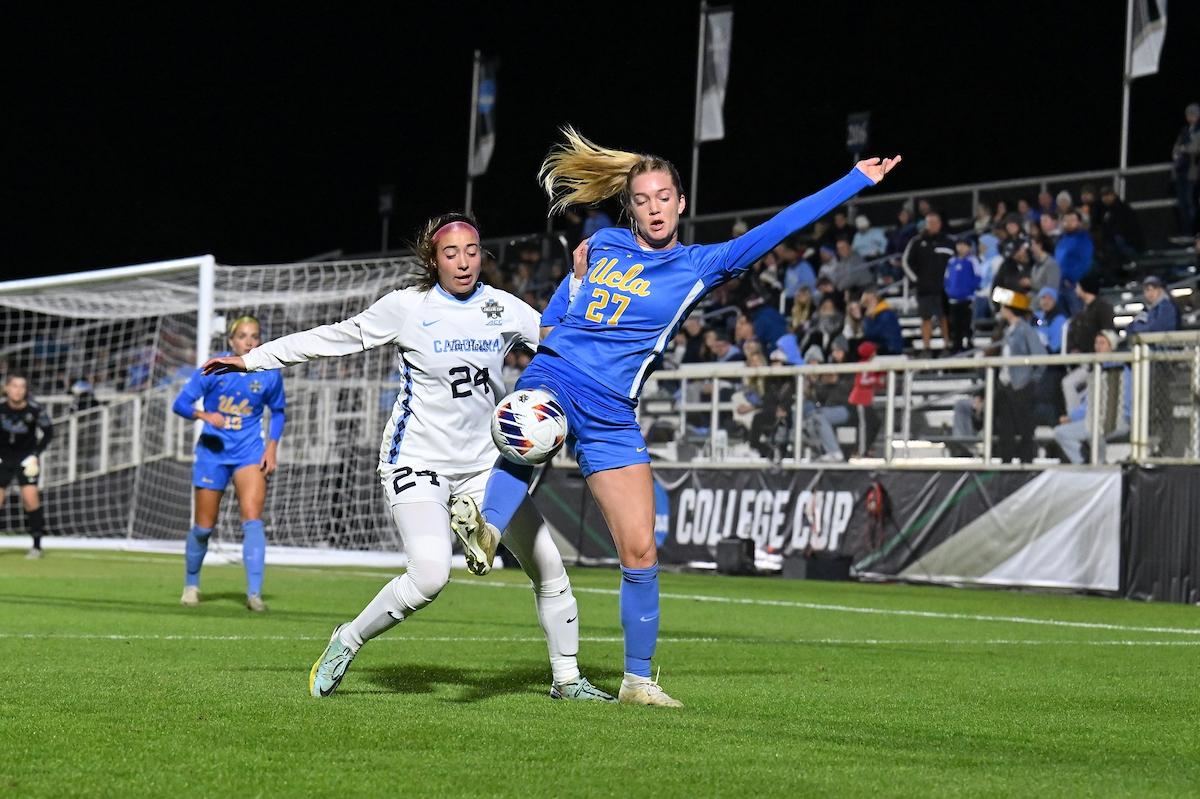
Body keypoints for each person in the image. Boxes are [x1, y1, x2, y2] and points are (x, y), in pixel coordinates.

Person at [450, 127, 900, 707]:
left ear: (681, 203)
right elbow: (559, 313)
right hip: (558, 373)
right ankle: (487, 529)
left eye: (664, 197)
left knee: (640, 551)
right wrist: (574, 289)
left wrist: (854, 182)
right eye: (642, 199)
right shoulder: (607, 244)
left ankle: (637, 682)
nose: (654, 207)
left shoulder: (699, 264)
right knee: (527, 432)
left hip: (613, 410)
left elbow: (776, 229)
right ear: (630, 209)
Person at [202, 212, 612, 703]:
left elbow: (561, 343)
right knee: (431, 575)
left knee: (549, 567)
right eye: (450, 253)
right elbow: (330, 338)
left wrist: (579, 283)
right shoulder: (407, 307)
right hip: (417, 461)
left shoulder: (505, 308)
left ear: (483, 254)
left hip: (488, 466)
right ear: (433, 260)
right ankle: (347, 639)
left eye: (472, 251)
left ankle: (567, 680)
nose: (463, 262)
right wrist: (252, 358)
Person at [172, 316, 286, 611]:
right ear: (231, 341)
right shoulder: (213, 369)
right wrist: (204, 416)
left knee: (253, 520)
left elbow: (278, 411)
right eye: (243, 336)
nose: (249, 341)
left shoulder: (269, 371)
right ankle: (192, 585)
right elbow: (180, 404)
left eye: (254, 336)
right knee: (203, 527)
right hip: (213, 452)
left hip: (249, 453)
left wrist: (271, 449)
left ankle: (254, 594)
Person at [1053, 330, 1130, 464]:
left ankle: (1084, 461)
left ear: (1111, 347)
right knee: (1087, 430)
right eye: (1096, 343)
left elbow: (1104, 404)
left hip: (1119, 419)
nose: (1098, 346)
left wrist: (1072, 417)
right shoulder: (1099, 369)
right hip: (1104, 418)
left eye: (1102, 343)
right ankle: (1096, 463)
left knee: (1063, 432)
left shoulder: (1116, 370)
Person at [0, 374, 54, 558]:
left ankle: (37, 546)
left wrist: (36, 454)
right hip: (2, 458)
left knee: (31, 499)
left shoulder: (35, 410)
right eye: (14, 386)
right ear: (6, 388)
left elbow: (48, 433)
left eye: (22, 386)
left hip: (26, 459)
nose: (18, 390)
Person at [991, 288, 1046, 463]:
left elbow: (1041, 357)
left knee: (1024, 429)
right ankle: (1006, 463)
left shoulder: (1025, 330)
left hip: (1020, 386)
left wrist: (1031, 380)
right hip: (1006, 385)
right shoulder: (1009, 330)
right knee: (1005, 429)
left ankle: (1026, 463)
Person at [901, 211, 954, 354]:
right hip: (924, 288)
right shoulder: (917, 242)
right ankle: (926, 348)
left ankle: (947, 345)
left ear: (940, 224)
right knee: (926, 318)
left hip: (944, 288)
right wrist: (917, 281)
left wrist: (950, 281)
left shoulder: (948, 241)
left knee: (944, 316)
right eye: (930, 223)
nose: (933, 226)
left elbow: (954, 263)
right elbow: (906, 262)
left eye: (935, 223)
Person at [944, 238, 980, 353]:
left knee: (967, 323)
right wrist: (949, 291)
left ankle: (968, 342)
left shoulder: (972, 260)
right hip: (954, 300)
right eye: (959, 245)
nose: (961, 248)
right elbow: (947, 278)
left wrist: (970, 289)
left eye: (964, 245)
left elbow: (978, 276)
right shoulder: (952, 261)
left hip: (967, 299)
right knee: (955, 324)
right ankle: (956, 344)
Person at [1055, 210, 1094, 315]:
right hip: (1059, 285)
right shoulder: (1062, 240)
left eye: (1072, 220)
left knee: (1077, 318)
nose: (1068, 223)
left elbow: (1085, 263)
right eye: (1066, 220)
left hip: (1074, 286)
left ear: (1079, 223)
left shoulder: (1083, 239)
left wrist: (1071, 279)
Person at [1067, 274, 1115, 353]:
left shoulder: (1102, 307)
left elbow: (1108, 331)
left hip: (1097, 356)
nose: (1076, 289)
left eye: (1078, 286)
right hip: (1083, 356)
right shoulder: (1082, 309)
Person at [1172, 102, 1200, 236]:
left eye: (1193, 114)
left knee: (1191, 204)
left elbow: (1196, 148)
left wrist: (1184, 149)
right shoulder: (1184, 130)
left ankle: (1194, 234)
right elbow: (1176, 149)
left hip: (1193, 173)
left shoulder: (1199, 130)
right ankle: (1186, 234)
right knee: (1182, 205)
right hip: (1181, 172)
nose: (1190, 117)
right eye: (1189, 114)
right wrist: (1181, 150)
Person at [860, 285, 905, 355]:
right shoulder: (879, 313)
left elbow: (871, 334)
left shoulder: (885, 314)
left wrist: (868, 318)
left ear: (874, 299)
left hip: (890, 349)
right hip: (884, 347)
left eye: (867, 302)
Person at [1034, 287, 1067, 353]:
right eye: (1043, 298)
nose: (1046, 302)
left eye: (1050, 299)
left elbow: (1054, 347)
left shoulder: (1060, 319)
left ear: (1054, 302)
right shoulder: (1037, 315)